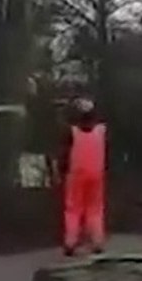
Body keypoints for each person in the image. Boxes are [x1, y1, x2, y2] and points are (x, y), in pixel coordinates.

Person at [60, 97, 107, 256]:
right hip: (97, 175)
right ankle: (97, 241)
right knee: (95, 209)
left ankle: (70, 242)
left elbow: (64, 155)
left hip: (76, 175)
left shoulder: (72, 132)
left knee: (73, 208)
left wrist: (61, 171)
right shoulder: (101, 130)